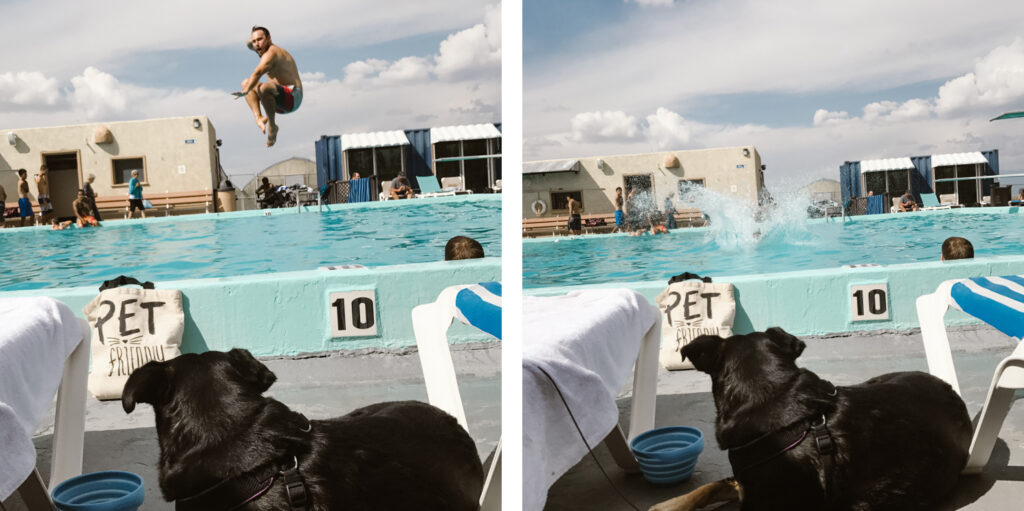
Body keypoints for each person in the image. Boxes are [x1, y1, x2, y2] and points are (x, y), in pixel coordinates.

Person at [234, 26, 303, 147]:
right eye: (254, 41)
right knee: (245, 82)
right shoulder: (259, 47)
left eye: (260, 40)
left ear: (269, 39)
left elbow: (258, 72)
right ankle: (259, 118)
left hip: (293, 98)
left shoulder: (271, 53)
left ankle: (272, 126)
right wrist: (254, 37)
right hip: (275, 101)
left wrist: (246, 92)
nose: (257, 45)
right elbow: (249, 44)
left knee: (261, 87)